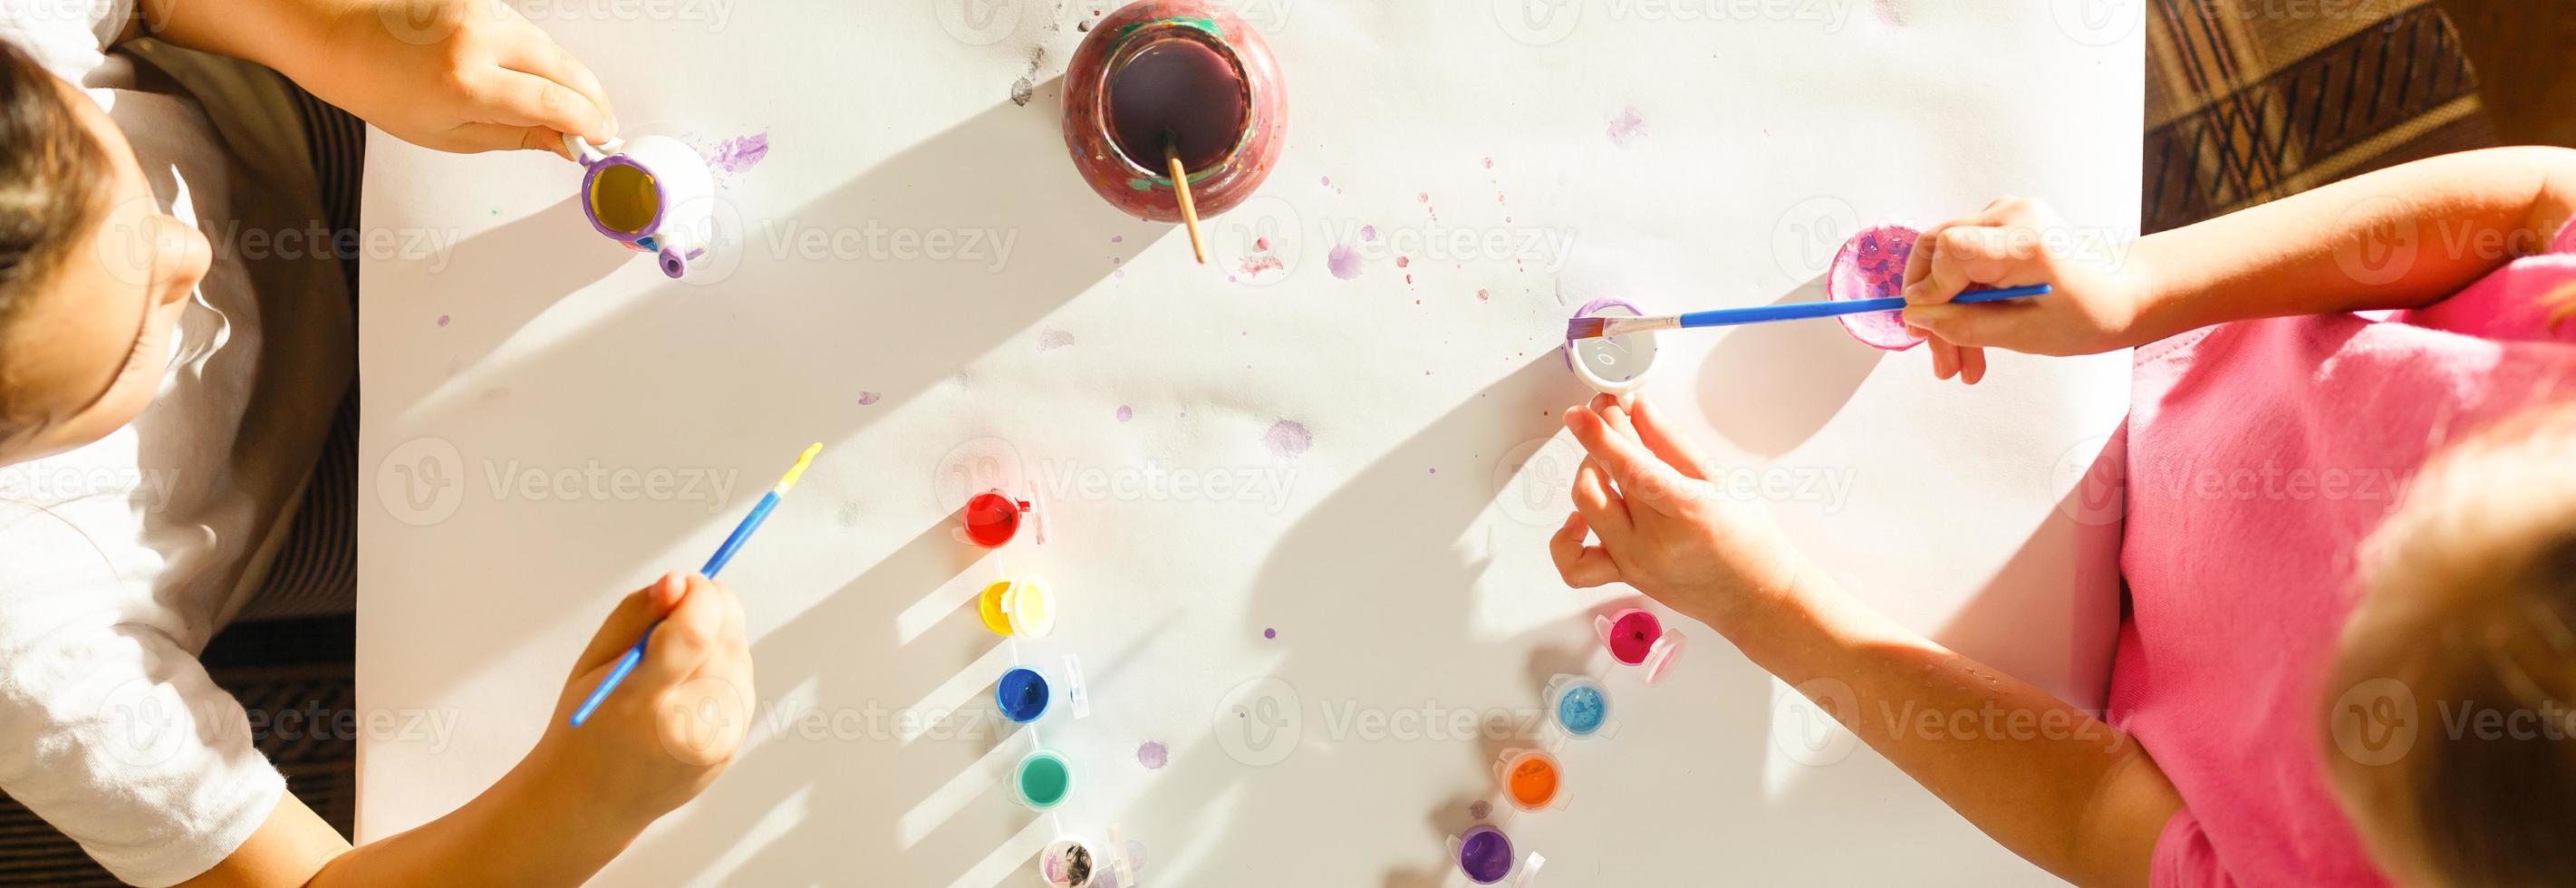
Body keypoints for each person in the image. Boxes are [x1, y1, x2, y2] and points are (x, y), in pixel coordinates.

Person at [1551, 147, 2576, 886]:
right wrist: (2137, 284)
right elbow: (2539, 201)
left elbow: (2093, 814)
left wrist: (1761, 600)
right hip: (2181, 335)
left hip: (2042, 619)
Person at [0, 0, 750, 882]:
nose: (190, 253)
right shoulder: (29, 647)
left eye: (114, 159)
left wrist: (341, 36)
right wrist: (591, 795)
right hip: (315, 491)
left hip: (300, 141)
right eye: (132, 337)